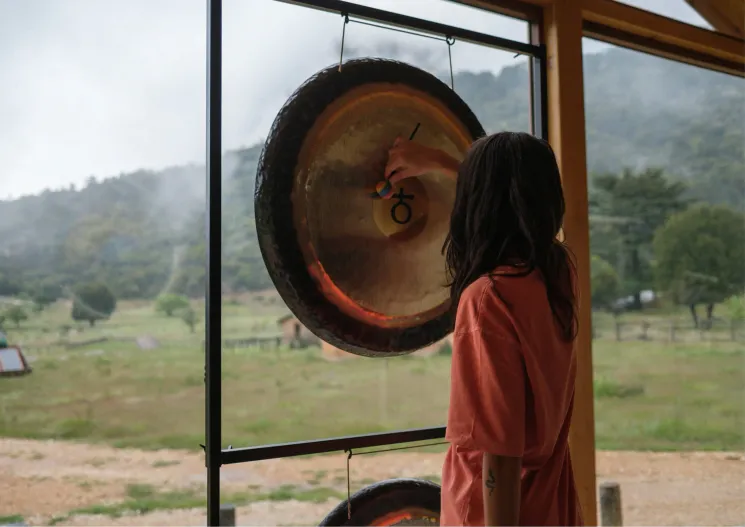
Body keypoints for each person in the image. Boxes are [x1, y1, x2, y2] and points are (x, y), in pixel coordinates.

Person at [384, 132, 582, 527]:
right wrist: (443, 162)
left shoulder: (487, 298)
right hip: (552, 509)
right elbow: (516, 190)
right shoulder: (559, 274)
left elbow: (500, 459)